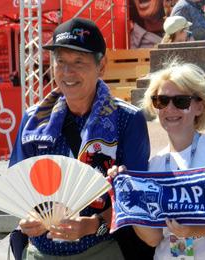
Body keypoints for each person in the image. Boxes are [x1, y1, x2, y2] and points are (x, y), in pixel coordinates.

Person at [9, 17, 154, 259]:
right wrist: (29, 217)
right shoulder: (33, 120)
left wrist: (91, 225)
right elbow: (18, 186)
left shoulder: (127, 119)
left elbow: (135, 201)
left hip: (101, 251)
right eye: (61, 62)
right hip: (39, 252)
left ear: (102, 65)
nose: (68, 72)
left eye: (79, 61)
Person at [109, 61, 205, 260]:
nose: (170, 108)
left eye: (180, 101)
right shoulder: (154, 164)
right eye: (161, 101)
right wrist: (126, 193)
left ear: (200, 106)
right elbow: (153, 239)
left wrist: (194, 230)